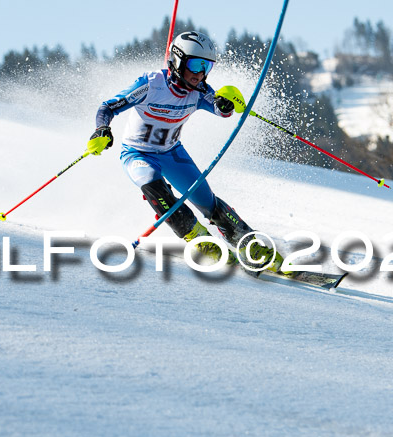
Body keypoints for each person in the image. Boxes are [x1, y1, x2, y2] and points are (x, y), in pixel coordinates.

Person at [88, 31, 285, 274]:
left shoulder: (199, 90)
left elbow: (220, 108)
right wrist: (102, 129)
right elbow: (108, 107)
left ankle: (251, 247)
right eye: (196, 64)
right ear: (178, 59)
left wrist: (226, 103)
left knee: (207, 202)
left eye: (207, 66)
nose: (200, 72)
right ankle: (202, 242)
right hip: (137, 154)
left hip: (172, 154)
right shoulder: (150, 84)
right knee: (154, 187)